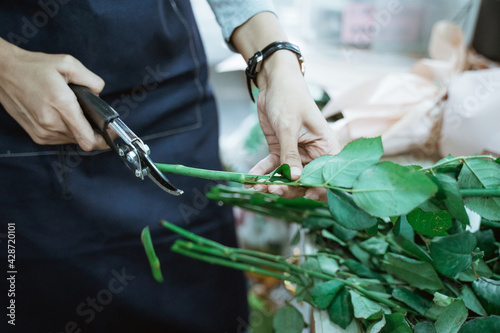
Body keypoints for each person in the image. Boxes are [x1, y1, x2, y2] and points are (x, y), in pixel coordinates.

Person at [0, 1, 339, 332]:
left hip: (170, 104)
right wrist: (6, 65)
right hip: (22, 133)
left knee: (199, 297)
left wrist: (276, 61)